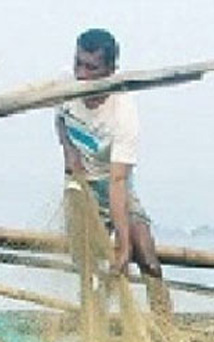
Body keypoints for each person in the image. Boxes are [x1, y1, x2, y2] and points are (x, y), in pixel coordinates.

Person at [55, 28, 171, 315]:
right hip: (80, 187)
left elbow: (118, 181)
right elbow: (60, 122)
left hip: (113, 185)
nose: (81, 74)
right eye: (77, 64)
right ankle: (95, 337)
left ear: (110, 70)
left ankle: (167, 330)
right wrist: (70, 153)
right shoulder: (65, 89)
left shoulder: (123, 113)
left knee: (147, 258)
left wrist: (122, 243)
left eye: (91, 68)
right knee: (90, 273)